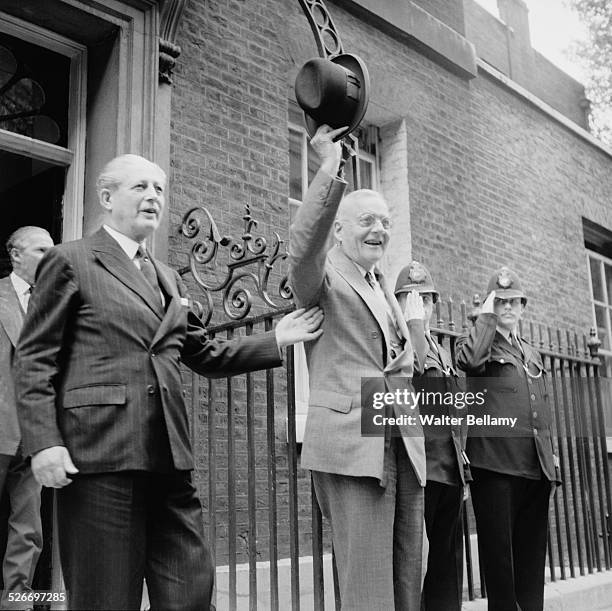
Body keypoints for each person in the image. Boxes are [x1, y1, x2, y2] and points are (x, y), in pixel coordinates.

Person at [13, 154, 323, 611]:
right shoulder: (70, 260)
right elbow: (34, 357)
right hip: (101, 454)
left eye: (159, 189)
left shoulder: (167, 276)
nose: (153, 197)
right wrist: (44, 442)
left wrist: (276, 337)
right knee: (105, 598)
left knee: (190, 590)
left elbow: (202, 352)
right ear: (106, 197)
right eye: (139, 187)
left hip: (169, 456)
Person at [289, 125, 428, 610]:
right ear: (340, 229)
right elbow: (303, 246)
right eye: (368, 220)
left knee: (410, 573)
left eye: (386, 222)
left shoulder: (381, 283)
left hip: (401, 443)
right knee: (368, 585)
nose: (381, 231)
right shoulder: (322, 276)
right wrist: (328, 169)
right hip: (353, 444)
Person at [456, 266, 560, 611]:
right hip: (496, 469)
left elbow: (542, 407)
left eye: (514, 302)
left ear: (524, 307)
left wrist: (551, 458)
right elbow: (470, 362)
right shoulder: (475, 344)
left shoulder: (531, 353)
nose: (508, 308)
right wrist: (484, 318)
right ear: (490, 306)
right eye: (500, 302)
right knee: (501, 569)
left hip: (534, 469)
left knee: (531, 568)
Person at [395, 261, 470, 611]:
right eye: (410, 297)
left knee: (446, 565)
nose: (419, 304)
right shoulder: (397, 343)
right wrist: (412, 325)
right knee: (415, 567)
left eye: (424, 298)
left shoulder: (442, 351)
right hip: (418, 473)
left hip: (448, 472)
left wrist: (463, 469)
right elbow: (408, 376)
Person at [0, 227, 54, 611]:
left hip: (36, 436)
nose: (50, 257)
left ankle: (16, 603)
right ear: (15, 254)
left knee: (29, 529)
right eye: (41, 250)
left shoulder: (54, 306)